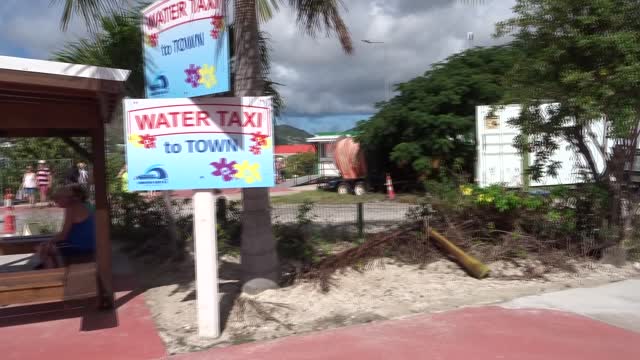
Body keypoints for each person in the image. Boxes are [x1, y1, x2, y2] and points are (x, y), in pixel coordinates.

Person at [35, 185, 95, 269]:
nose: (55, 202)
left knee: (45, 249)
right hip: (90, 244)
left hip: (80, 247)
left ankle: (53, 275)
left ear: (65, 198)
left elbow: (63, 235)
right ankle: (57, 269)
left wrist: (48, 242)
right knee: (49, 246)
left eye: (57, 199)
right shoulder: (84, 205)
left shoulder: (70, 208)